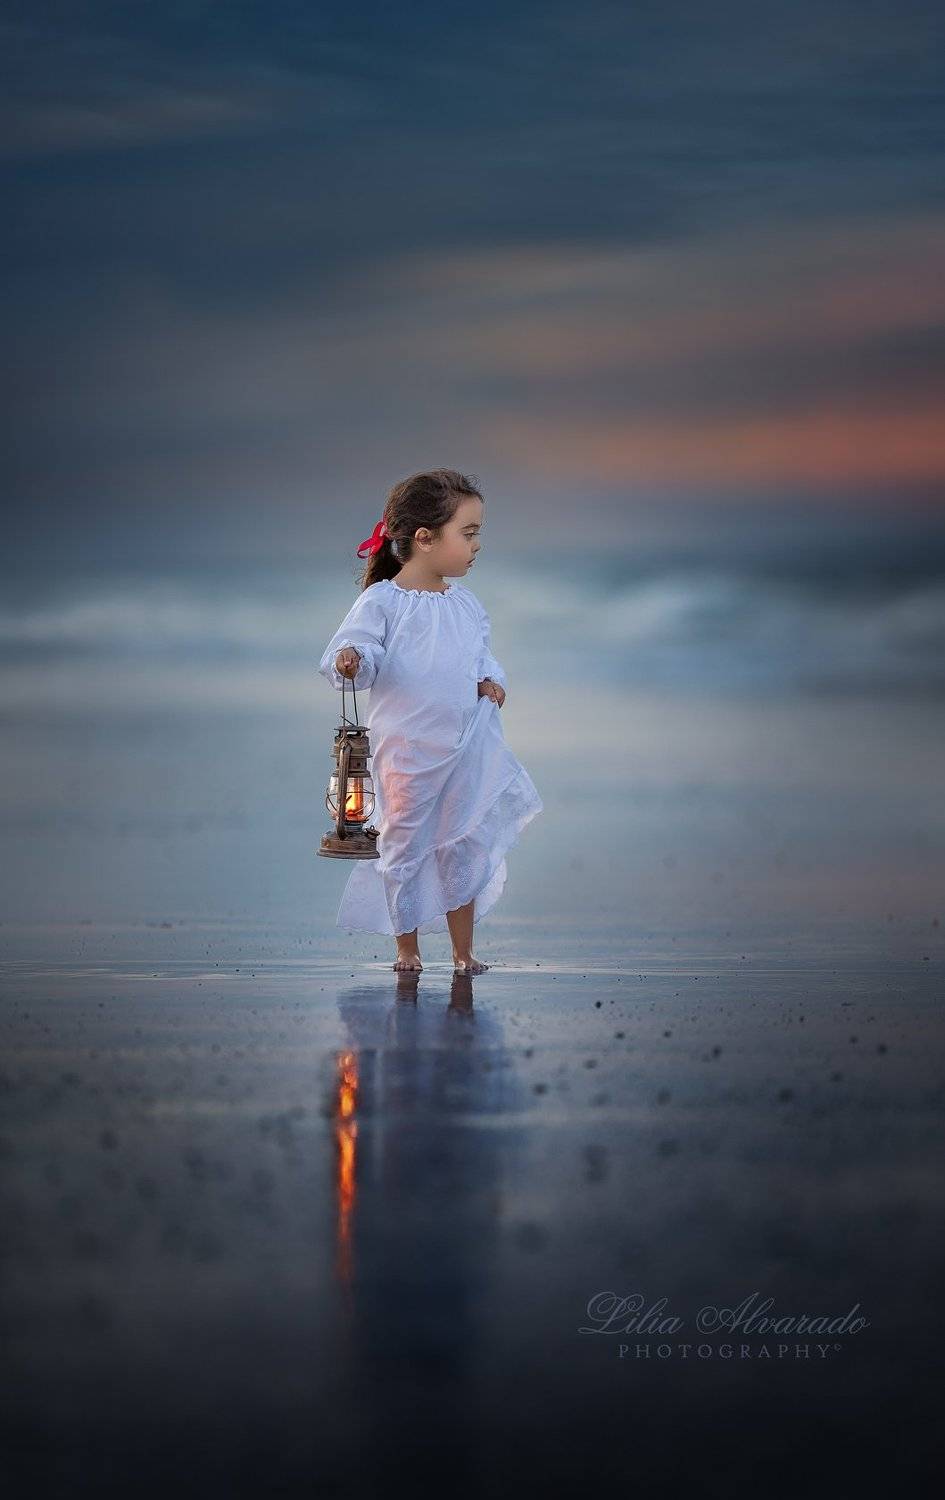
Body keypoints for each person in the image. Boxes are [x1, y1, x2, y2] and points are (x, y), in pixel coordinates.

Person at [317, 468, 543, 975]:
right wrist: (351, 658)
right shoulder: (382, 601)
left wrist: (492, 681)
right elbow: (355, 653)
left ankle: (464, 953)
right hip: (405, 750)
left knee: (462, 842)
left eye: (477, 533)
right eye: (468, 533)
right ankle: (407, 950)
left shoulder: (466, 605)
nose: (477, 545)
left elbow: (481, 657)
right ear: (423, 538)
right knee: (404, 843)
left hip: (461, 747)